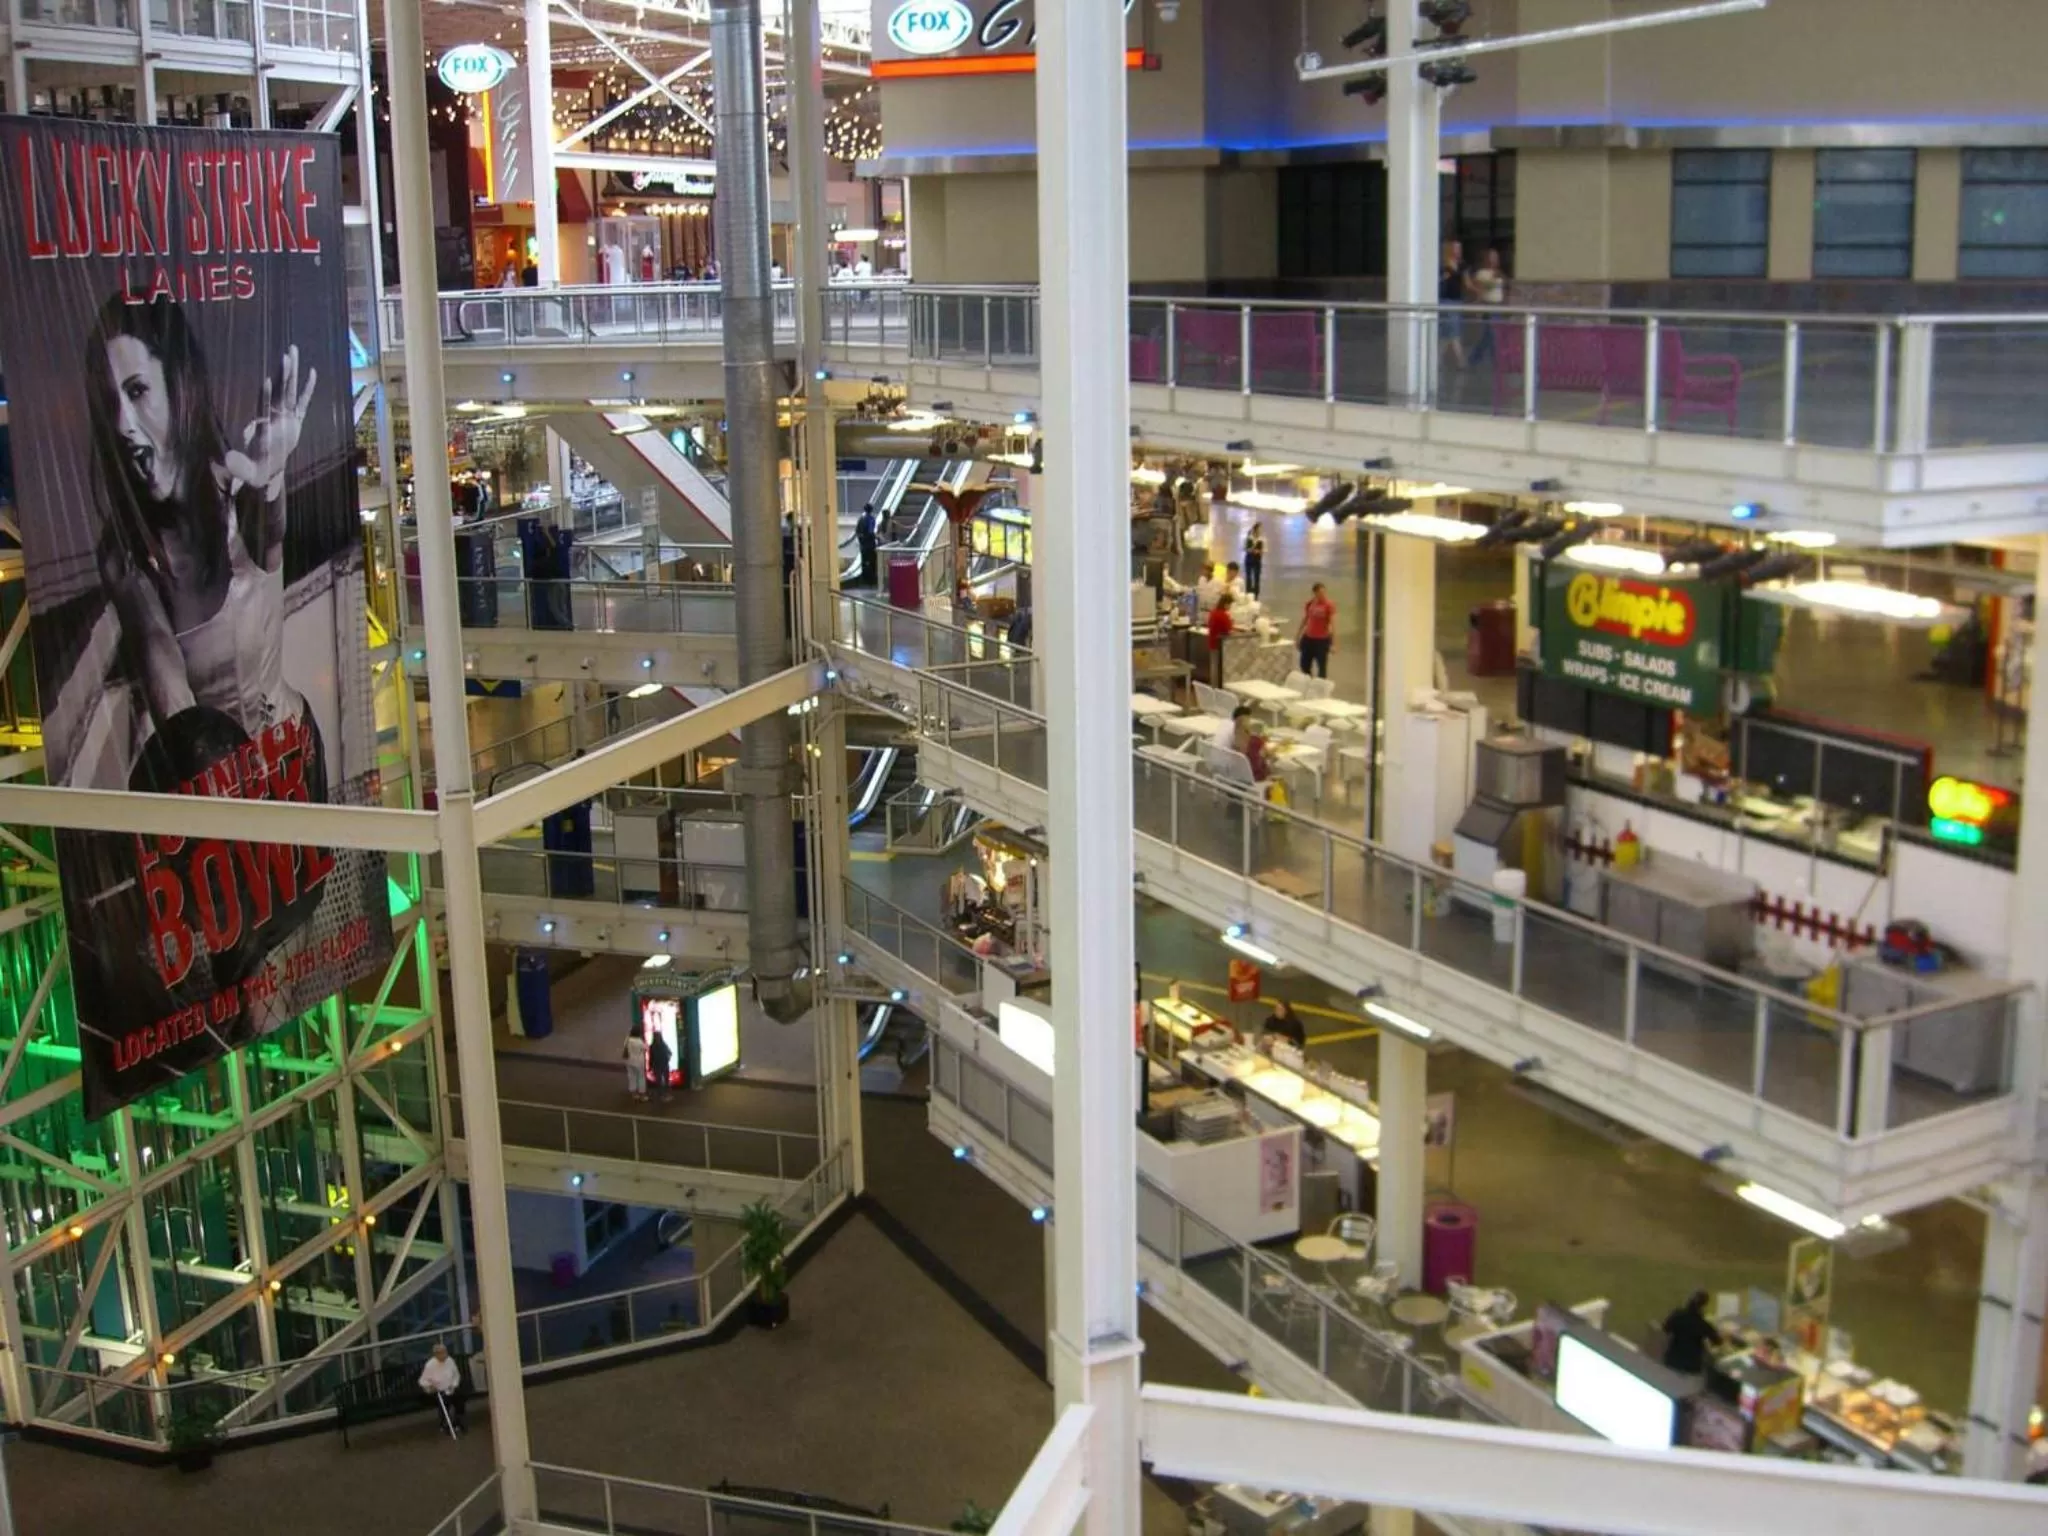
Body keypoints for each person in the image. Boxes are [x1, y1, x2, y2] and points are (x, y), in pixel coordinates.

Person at [1660, 1291, 1725, 1376]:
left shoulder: (1677, 1315)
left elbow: (1666, 1328)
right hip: (1691, 1367)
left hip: (1672, 1360)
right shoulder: (1702, 1324)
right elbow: (1717, 1341)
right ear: (1703, 1307)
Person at [1466, 247, 1506, 366]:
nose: (1494, 260)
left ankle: (1474, 358)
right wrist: (1494, 278)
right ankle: (1495, 360)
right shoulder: (1481, 273)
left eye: (1496, 257)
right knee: (1492, 334)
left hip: (1498, 306)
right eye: (1492, 257)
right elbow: (1484, 288)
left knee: (1489, 335)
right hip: (1488, 306)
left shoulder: (1499, 273)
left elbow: (1502, 288)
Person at [419, 1343, 464, 1435]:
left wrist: (454, 1385)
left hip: (451, 1388)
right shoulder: (430, 1365)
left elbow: (456, 1375)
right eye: (441, 1353)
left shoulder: (450, 1361)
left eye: (445, 1352)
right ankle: (445, 1425)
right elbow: (423, 1381)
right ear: (436, 1354)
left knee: (460, 1401)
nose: (444, 1355)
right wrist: (430, 1386)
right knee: (444, 1404)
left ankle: (457, 1423)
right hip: (439, 1391)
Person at [1439, 238, 1468, 369]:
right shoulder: (1444, 266)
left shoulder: (1462, 265)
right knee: (1453, 330)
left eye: (1459, 248)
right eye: (1456, 248)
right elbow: (1440, 281)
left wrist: (1478, 292)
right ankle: (1461, 361)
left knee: (1447, 333)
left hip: (1457, 300)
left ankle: (1436, 358)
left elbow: (1467, 282)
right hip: (1446, 301)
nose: (1458, 251)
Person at [1298, 582, 1336, 678]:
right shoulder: (1310, 604)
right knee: (1304, 664)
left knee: (1322, 667)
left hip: (1322, 640)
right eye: (1320, 593)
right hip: (1308, 638)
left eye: (1324, 592)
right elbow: (1305, 619)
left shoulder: (1329, 605)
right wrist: (1298, 635)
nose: (1322, 595)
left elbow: (1332, 624)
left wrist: (1333, 643)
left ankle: (1321, 688)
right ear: (1315, 593)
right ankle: (1309, 681)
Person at [1205, 592, 1235, 687]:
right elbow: (1228, 630)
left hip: (1212, 643)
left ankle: (1213, 687)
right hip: (1219, 645)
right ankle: (1217, 687)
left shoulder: (1213, 612)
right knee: (1218, 668)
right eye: (1230, 604)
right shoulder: (1223, 615)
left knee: (1213, 667)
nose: (1230, 607)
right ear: (1226, 603)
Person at [647, 1028, 674, 1101]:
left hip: (658, 1065)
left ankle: (662, 1094)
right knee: (664, 1080)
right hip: (663, 1064)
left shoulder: (652, 1046)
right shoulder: (663, 1045)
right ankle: (664, 1094)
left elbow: (651, 1057)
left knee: (660, 1081)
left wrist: (650, 1066)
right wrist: (667, 1059)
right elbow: (670, 1053)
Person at [623, 1027, 648, 1101]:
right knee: (641, 1078)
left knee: (631, 1077)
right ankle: (642, 1095)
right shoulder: (639, 1041)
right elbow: (646, 1048)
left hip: (629, 1061)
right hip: (638, 1062)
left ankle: (634, 1094)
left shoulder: (627, 1039)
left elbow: (625, 1048)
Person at [1243, 524, 1266, 598]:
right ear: (1255, 529)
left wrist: (1259, 551)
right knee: (1248, 577)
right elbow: (1244, 548)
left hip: (1257, 560)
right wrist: (1251, 550)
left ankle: (1256, 596)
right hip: (1249, 559)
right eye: (1259, 529)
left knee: (1257, 578)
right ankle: (1248, 593)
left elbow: (1264, 550)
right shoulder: (1248, 538)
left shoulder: (1262, 539)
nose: (1260, 531)